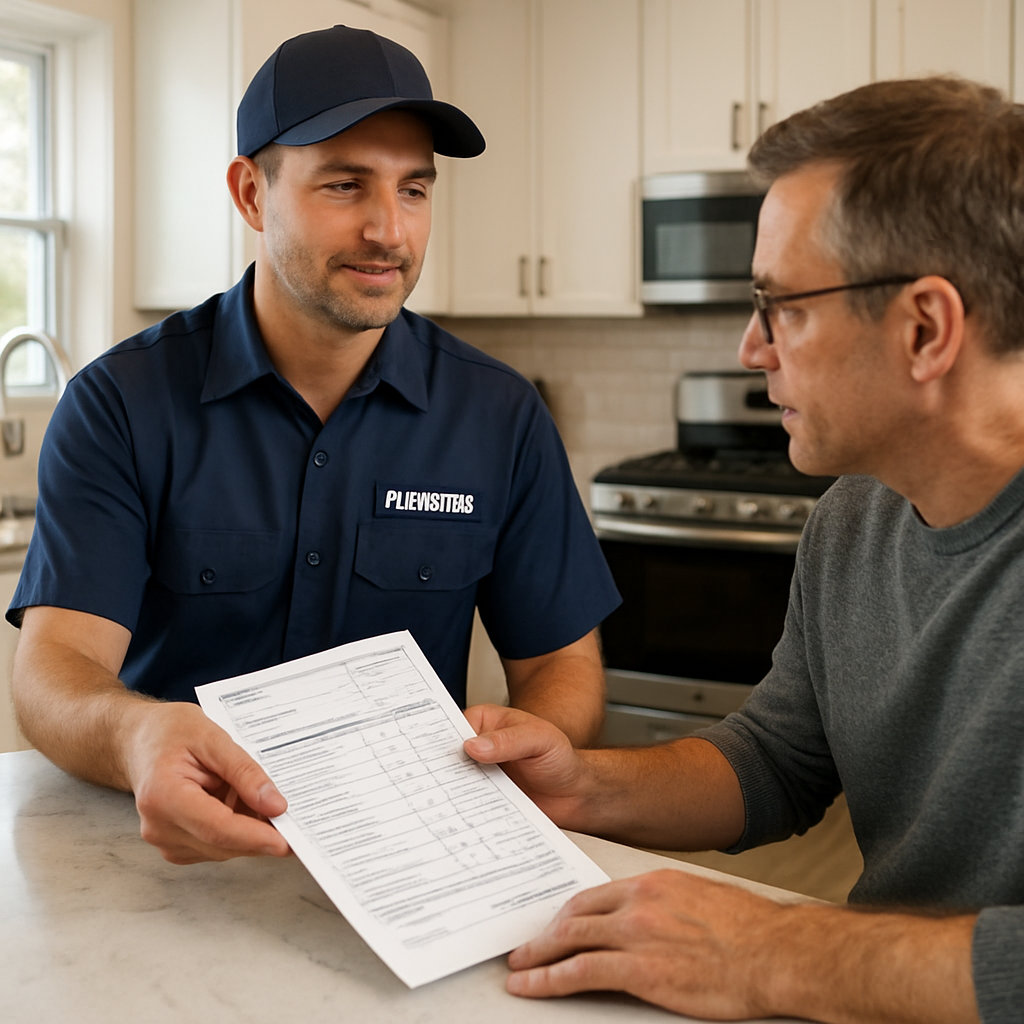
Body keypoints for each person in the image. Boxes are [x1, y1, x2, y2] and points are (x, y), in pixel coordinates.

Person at [464, 76, 1024, 1024]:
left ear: (925, 328)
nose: (750, 350)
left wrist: (771, 948)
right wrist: (580, 781)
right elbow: (776, 762)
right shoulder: (855, 517)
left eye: (781, 306)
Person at [8, 26, 619, 866]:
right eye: (344, 184)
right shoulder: (121, 404)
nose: (388, 231)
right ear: (251, 194)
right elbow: (54, 671)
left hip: (415, 859)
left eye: (414, 190)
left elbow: (562, 662)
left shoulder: (500, 414)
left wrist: (529, 741)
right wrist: (135, 735)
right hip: (172, 856)